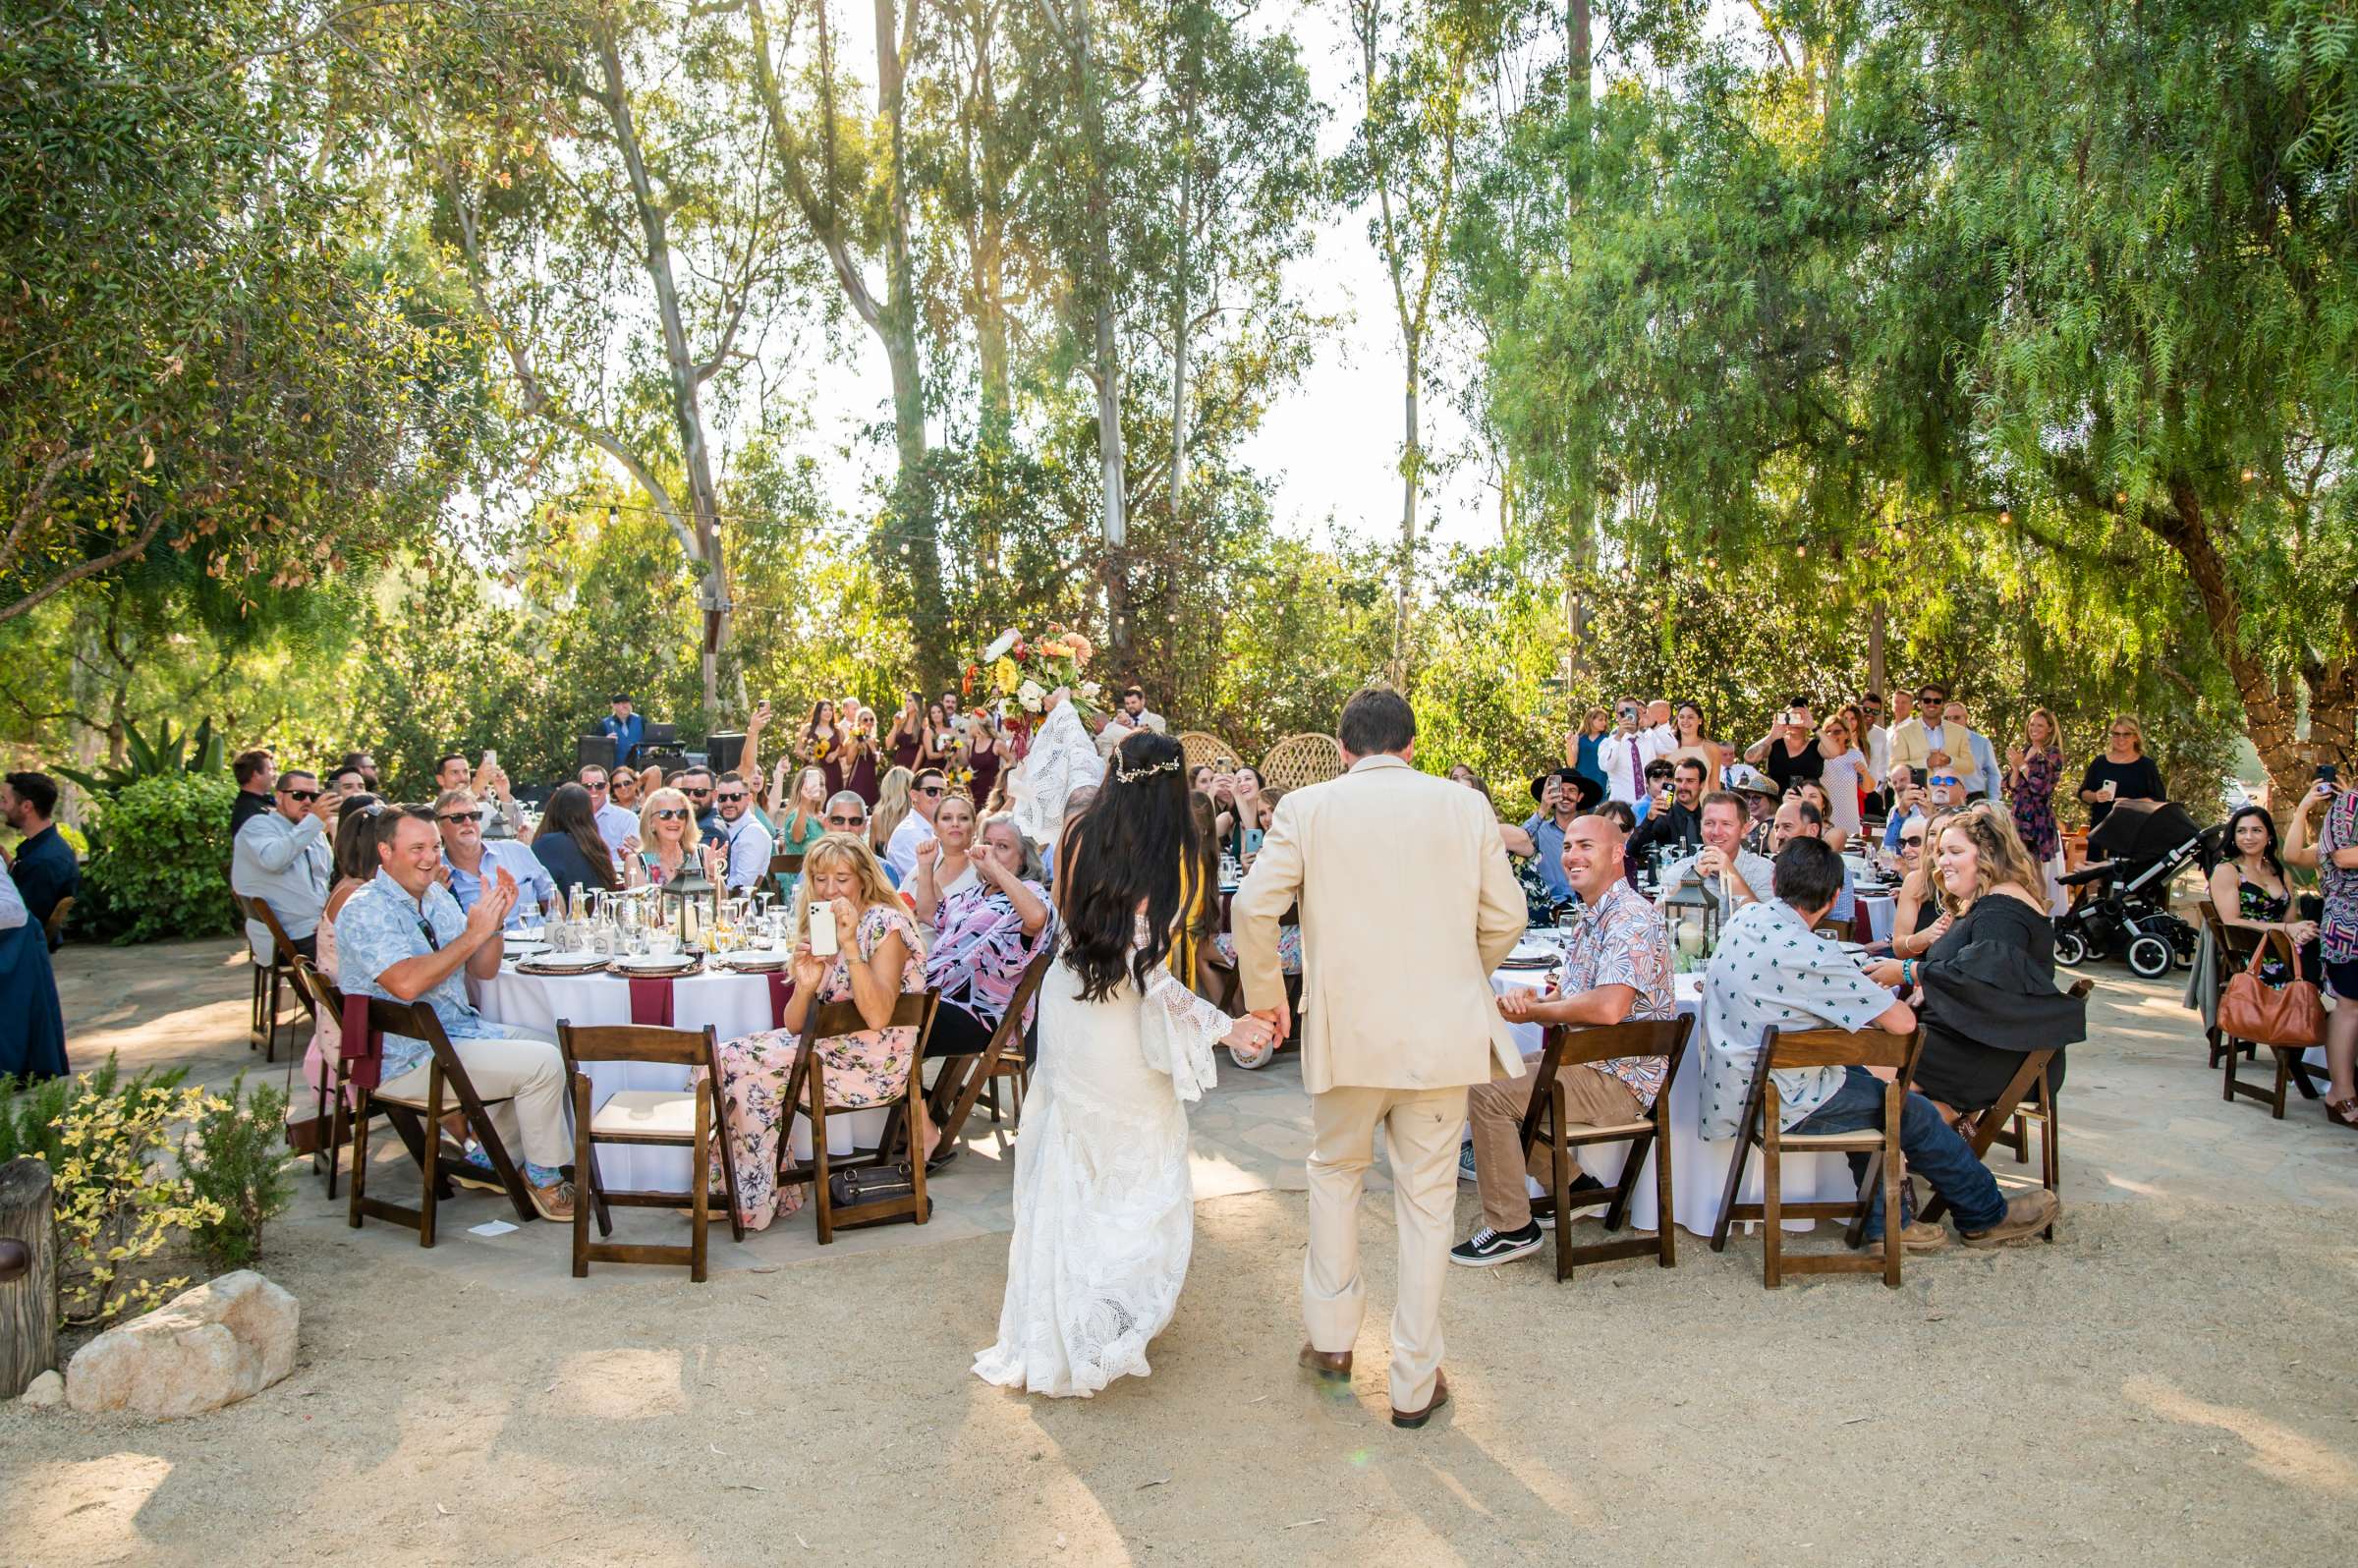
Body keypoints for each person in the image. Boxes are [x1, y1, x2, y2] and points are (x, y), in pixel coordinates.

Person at [1231, 687, 1524, 1429]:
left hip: (1348, 1036)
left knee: (1335, 1178)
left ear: (1341, 750)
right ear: (1413, 746)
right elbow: (1508, 918)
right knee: (1427, 1207)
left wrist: (1267, 1000)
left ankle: (1331, 1344)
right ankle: (1414, 1383)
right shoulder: (1464, 807)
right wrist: (1462, 975)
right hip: (1440, 1036)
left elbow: (1250, 908)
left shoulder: (1308, 807)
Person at [975, 732, 1274, 1398]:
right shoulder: (1165, 852)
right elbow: (1152, 975)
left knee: (1073, 1157)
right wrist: (1230, 1026)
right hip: (1115, 1021)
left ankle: (1075, 1311)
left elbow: (1064, 925)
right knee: (1136, 1159)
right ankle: (1102, 1317)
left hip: (1071, 1005)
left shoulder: (1079, 832)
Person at [1701, 837, 2058, 1255]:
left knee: (1870, 1093)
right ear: (1835, 897)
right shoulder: (1814, 953)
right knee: (1910, 1110)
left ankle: (1888, 1223)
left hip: (1735, 1084)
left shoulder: (1746, 919)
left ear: (1776, 880)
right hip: (1780, 1097)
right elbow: (1903, 1023)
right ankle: (1985, 1216)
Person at [1451, 813, 1674, 1266]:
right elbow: (1575, 994)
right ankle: (1575, 1187)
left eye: (1586, 846)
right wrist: (1539, 1000)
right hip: (1585, 1061)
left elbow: (1610, 1008)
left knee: (1488, 1094)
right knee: (1489, 1073)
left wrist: (1538, 1011)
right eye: (1569, 846)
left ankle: (1512, 1227)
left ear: (1617, 855)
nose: (1572, 855)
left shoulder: (1630, 917)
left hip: (1618, 1076)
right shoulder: (1594, 913)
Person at [336, 809, 575, 1220]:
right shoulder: (365, 908)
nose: (430, 858)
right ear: (385, 851)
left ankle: (488, 1159)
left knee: (554, 1045)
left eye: (433, 846)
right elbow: (406, 984)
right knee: (542, 1064)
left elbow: (481, 969)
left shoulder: (434, 897)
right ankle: (543, 1177)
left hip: (455, 1035)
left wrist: (495, 924)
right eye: (417, 848)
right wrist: (473, 933)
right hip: (408, 1056)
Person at [706, 833, 933, 1228]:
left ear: (863, 878)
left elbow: (878, 1015)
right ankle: (739, 1193)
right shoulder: (822, 923)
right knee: (717, 1059)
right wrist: (808, 981)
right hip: (824, 1050)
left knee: (736, 1069)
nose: (830, 890)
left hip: (872, 1068)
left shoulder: (886, 924)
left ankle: (747, 1198)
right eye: (820, 879)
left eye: (841, 878)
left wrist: (849, 948)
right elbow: (795, 1024)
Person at [1865, 806, 2086, 1121]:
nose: (1943, 861)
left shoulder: (2002, 911)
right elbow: (1978, 971)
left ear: (1988, 854)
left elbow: (1983, 979)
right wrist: (1932, 983)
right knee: (1879, 1047)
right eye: (1940, 852)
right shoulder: (1990, 901)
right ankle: (1916, 1138)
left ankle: (1900, 1144)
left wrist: (1909, 971)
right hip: (1982, 1038)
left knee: (1869, 1061)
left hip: (1996, 1054)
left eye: (1955, 851)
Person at [921, 813, 1057, 1138]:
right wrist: (926, 866)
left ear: (1023, 857)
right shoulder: (974, 895)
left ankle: (919, 1128)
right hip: (941, 1000)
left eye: (1004, 847)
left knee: (896, 1026)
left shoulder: (1031, 893)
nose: (993, 852)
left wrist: (993, 867)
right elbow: (929, 913)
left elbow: (1037, 919)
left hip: (982, 1015)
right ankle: (915, 1118)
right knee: (886, 1018)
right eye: (989, 844)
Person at [301, 795, 387, 1119]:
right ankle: (468, 1141)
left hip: (349, 1018)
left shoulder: (351, 886)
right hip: (357, 1034)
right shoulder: (357, 895)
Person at [2284, 768, 2358, 1130]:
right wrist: (2302, 809)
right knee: (2350, 1007)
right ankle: (2340, 1092)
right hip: (2350, 926)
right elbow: (2344, 857)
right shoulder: (2349, 804)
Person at [230, 767, 334, 963]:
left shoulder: (312, 831)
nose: (308, 802)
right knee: (370, 953)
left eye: (314, 796)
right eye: (299, 795)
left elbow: (324, 880)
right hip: (288, 940)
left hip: (316, 929)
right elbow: (274, 860)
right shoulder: (258, 826)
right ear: (279, 796)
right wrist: (314, 822)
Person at [2209, 804, 2318, 983]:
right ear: (2234, 837)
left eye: (2257, 830)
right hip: (2249, 955)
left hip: (2282, 949)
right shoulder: (2227, 870)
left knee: (2322, 963)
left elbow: (2289, 922)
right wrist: (2287, 929)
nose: (2248, 837)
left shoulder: (2281, 873)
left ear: (2269, 836)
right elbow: (2231, 922)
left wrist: (2300, 932)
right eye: (2241, 831)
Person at [436, 789, 553, 924]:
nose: (468, 822)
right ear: (438, 827)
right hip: (483, 944)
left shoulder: (517, 851)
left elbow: (551, 897)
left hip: (537, 943)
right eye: (457, 817)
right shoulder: (438, 878)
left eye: (474, 815)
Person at [1655, 792, 1774, 910]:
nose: (1716, 832)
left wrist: (1731, 875)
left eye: (1726, 824)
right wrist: (1693, 879)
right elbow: (1657, 923)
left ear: (1744, 830)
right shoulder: (1680, 869)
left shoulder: (1764, 871)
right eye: (1709, 823)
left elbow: (1766, 925)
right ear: (1701, 829)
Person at [2, 773, 78, 949]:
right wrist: (10, 863)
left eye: (4, 800)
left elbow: (21, 919)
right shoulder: (47, 847)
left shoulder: (43, 862)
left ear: (27, 806)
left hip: (18, 949)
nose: (1, 807)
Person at [2005, 707, 2066, 908]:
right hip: (2019, 815)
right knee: (2020, 865)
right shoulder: (2024, 751)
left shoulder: (2052, 754)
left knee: (2034, 865)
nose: (2034, 728)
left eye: (2040, 725)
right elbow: (2011, 786)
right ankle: (2026, 904)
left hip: (2037, 817)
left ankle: (2041, 906)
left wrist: (2022, 766)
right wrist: (2016, 768)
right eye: (2032, 724)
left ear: (2050, 729)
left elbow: (2040, 788)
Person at [1767, 797, 1858, 926]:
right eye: (1776, 828)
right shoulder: (1771, 865)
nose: (1779, 835)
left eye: (1787, 827)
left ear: (1813, 830)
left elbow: (1839, 928)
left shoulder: (1832, 869)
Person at [530, 782, 620, 902]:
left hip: (562, 916)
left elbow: (530, 886)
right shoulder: (596, 845)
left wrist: (525, 850)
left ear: (552, 810)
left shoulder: (550, 844)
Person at [1518, 768, 1596, 906]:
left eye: (1572, 790)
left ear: (1580, 796)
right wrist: (1543, 809)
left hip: (1587, 906)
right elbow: (1518, 841)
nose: (1565, 795)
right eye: (1561, 790)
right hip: (1550, 909)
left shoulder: (1591, 832)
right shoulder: (1539, 832)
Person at [1886, 809, 1956, 959]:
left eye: (1945, 831)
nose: (1936, 839)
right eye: (1932, 833)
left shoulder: (1973, 887)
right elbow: (1899, 948)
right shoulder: (1916, 881)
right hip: (1916, 973)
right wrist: (1926, 936)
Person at [910, 790, 984, 927]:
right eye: (946, 818)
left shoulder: (983, 872)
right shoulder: (926, 860)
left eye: (963, 818)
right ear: (935, 827)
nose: (955, 823)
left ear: (974, 828)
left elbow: (971, 931)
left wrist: (937, 895)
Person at [2079, 713, 2165, 829]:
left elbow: (2158, 799)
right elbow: (2083, 793)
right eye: (2116, 734)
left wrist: (2132, 803)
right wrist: (2095, 796)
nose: (2121, 739)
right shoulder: (2099, 762)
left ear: (2135, 737)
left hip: (2134, 832)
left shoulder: (2146, 765)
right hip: (2101, 830)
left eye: (2126, 734)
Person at [1629, 756, 1710, 862]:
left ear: (1702, 784)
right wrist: (1648, 820)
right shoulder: (1662, 818)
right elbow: (1632, 851)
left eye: (1690, 781)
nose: (1683, 786)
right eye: (1679, 780)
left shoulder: (1710, 818)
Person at [707, 770, 773, 891]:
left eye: (735, 797)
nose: (728, 803)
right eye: (722, 798)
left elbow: (741, 886)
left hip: (735, 906)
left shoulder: (754, 833)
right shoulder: (716, 824)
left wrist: (708, 887)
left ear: (749, 799)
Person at [1813, 715, 1870, 842]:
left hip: (1850, 822)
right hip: (1825, 822)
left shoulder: (1856, 755)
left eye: (1837, 731)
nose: (1832, 735)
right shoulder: (1818, 755)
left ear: (1847, 735)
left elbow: (1868, 788)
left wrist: (1865, 773)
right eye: (1827, 731)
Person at [885, 766, 946, 882]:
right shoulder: (909, 833)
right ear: (914, 795)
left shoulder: (928, 829)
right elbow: (929, 881)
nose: (938, 797)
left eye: (943, 792)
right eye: (931, 791)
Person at [1598, 699, 1662, 807]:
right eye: (1623, 713)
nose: (1628, 717)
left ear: (1639, 714)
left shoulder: (1650, 738)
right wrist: (1619, 737)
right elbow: (1606, 766)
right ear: (1617, 716)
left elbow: (1671, 746)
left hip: (1648, 806)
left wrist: (1654, 724)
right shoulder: (1608, 742)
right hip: (1621, 808)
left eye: (1632, 711)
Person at [1748, 702, 1825, 792]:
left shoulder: (1816, 745)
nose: (1795, 722)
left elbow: (1835, 752)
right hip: (1777, 803)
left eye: (1799, 717)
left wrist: (1814, 727)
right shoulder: (1775, 743)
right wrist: (1772, 736)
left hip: (1808, 802)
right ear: (1785, 719)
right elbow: (1749, 758)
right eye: (1791, 717)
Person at [1935, 700, 1999, 801]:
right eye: (1947, 718)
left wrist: (1994, 801)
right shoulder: (1936, 742)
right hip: (1944, 799)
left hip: (1974, 799)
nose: (1951, 722)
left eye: (1956, 718)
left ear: (1966, 719)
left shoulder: (1982, 743)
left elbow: (1993, 773)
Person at [766, 765, 830, 864]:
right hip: (799, 874)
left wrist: (828, 827)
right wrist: (804, 804)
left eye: (822, 784)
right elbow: (797, 838)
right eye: (814, 783)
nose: (819, 788)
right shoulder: (796, 813)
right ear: (802, 787)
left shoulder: (820, 816)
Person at [578, 764, 638, 858]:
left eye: (599, 785)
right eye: (587, 786)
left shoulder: (627, 818)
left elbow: (632, 855)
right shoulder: (571, 818)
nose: (593, 790)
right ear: (579, 789)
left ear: (607, 787)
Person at [1667, 700, 1723, 783]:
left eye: (1690, 717)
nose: (1685, 721)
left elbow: (1714, 785)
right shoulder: (1666, 745)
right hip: (1673, 796)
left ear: (1700, 720)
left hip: (1704, 796)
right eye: (1681, 717)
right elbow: (1663, 784)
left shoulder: (1712, 748)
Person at [1887, 686, 1936, 781]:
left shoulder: (1918, 729)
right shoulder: (1888, 731)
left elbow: (1923, 759)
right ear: (1892, 706)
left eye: (1904, 702)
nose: (1899, 705)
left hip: (1910, 781)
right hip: (1888, 783)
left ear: (1911, 706)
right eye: (1896, 702)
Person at [871, 766, 916, 868]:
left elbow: (872, 855)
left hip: (884, 879)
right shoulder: (916, 818)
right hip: (912, 878)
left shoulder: (877, 817)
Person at [1565, 705, 1611, 797]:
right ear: (1590, 720)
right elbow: (1571, 763)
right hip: (1583, 784)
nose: (1604, 723)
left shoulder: (1609, 738)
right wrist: (1569, 744)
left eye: (1605, 720)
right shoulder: (1578, 738)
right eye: (1600, 720)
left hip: (1602, 784)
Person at [231, 749, 277, 838]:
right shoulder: (247, 810)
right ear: (256, 774)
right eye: (271, 770)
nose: (275, 775)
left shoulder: (266, 801)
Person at [599, 693, 646, 768]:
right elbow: (594, 748)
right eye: (622, 703)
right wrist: (606, 741)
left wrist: (652, 746)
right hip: (615, 769)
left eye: (628, 703)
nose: (626, 706)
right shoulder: (604, 724)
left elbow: (652, 737)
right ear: (614, 706)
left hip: (639, 768)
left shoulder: (641, 720)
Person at [885, 694, 924, 772]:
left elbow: (921, 750)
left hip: (915, 767)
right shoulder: (902, 721)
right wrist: (895, 724)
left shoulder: (923, 722)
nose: (906, 703)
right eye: (905, 700)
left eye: (909, 701)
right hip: (899, 766)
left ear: (917, 703)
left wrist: (913, 771)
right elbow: (889, 745)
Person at [1860, 692, 1890, 786]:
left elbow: (1884, 762)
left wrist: (1879, 783)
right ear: (1859, 708)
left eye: (1875, 712)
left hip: (1872, 788)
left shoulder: (1882, 734)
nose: (1870, 714)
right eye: (1867, 709)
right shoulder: (1846, 732)